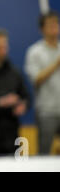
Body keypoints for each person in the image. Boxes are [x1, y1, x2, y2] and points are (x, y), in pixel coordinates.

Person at [0, 28, 30, 156]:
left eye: (5, 46)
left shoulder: (14, 72)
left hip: (11, 132)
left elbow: (25, 96)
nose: (4, 50)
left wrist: (23, 105)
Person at [24, 10, 60, 155]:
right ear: (42, 29)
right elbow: (36, 79)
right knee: (44, 154)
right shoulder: (34, 51)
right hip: (46, 111)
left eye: (56, 23)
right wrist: (56, 64)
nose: (54, 27)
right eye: (50, 25)